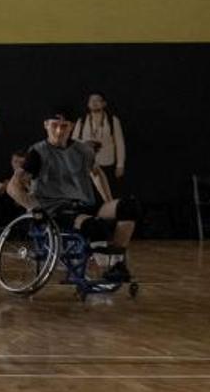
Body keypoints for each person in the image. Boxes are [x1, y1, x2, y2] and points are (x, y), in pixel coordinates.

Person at [7, 107, 140, 283]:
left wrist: (109, 201)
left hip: (85, 204)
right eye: (55, 125)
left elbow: (97, 173)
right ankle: (108, 266)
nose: (59, 131)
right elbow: (12, 186)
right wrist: (33, 207)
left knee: (129, 207)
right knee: (95, 226)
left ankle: (118, 264)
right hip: (58, 209)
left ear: (71, 127)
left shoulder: (83, 150)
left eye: (64, 126)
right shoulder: (38, 152)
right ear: (46, 125)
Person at [73, 92, 126, 194]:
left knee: (107, 194)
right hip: (86, 165)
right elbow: (74, 142)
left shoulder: (112, 120)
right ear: (88, 104)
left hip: (107, 164)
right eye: (91, 100)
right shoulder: (82, 120)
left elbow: (120, 143)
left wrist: (120, 165)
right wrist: (85, 144)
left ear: (104, 103)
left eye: (97, 100)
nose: (94, 103)